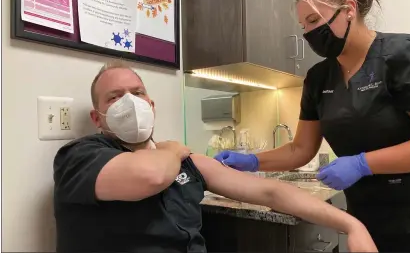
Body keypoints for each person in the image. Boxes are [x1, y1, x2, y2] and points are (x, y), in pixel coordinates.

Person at [53, 61, 377, 253]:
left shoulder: (184, 159)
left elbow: (270, 192)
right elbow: (149, 175)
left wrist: (351, 225)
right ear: (98, 118)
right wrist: (171, 150)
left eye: (137, 94)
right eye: (115, 97)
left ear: (150, 105)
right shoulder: (80, 157)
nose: (130, 102)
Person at [214, 0, 410, 252]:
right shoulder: (318, 79)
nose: (308, 33)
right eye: (303, 26)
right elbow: (300, 149)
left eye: (313, 21)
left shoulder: (405, 55)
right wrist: (252, 161)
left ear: (349, 10)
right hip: (366, 217)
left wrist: (362, 164)